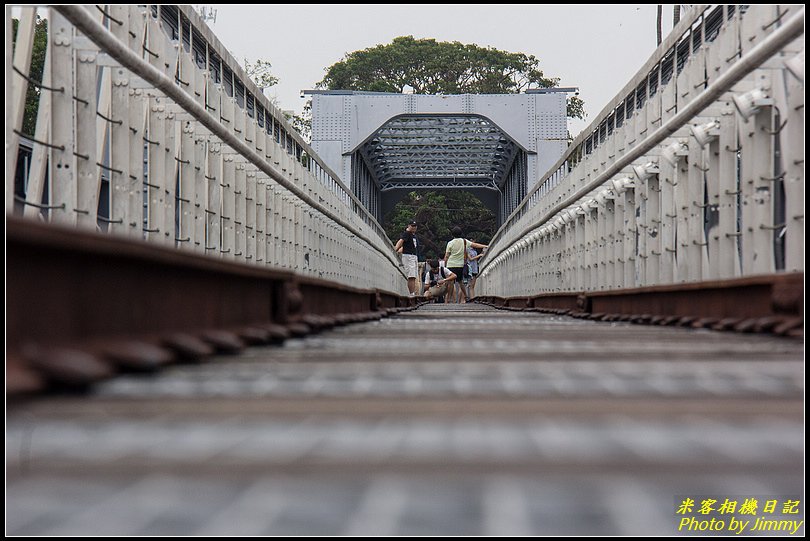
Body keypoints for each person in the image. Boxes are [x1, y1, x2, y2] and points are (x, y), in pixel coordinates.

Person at [444, 226, 488, 303]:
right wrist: (486, 246)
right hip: (460, 265)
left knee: (450, 283)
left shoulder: (450, 243)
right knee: (460, 282)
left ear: (452, 234)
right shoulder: (464, 241)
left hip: (450, 265)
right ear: (461, 233)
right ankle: (466, 296)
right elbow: (475, 245)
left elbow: (447, 256)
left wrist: (445, 265)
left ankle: (448, 299)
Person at [393, 220, 420, 295]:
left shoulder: (413, 235)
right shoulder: (407, 233)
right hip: (409, 256)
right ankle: (411, 293)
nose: (414, 227)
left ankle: (413, 293)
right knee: (411, 276)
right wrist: (395, 249)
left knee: (413, 276)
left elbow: (406, 245)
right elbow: (401, 241)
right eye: (412, 226)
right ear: (409, 226)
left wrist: (400, 250)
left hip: (413, 256)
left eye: (415, 226)